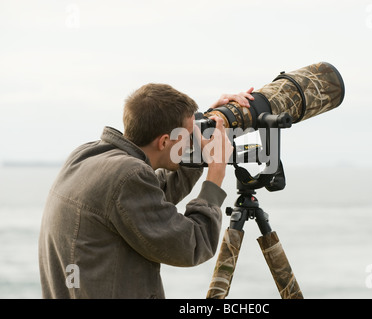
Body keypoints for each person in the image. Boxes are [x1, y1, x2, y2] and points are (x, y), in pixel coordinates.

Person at [38, 83, 254, 299]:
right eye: (189, 136)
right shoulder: (128, 177)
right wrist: (217, 173)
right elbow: (194, 245)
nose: (191, 142)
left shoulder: (87, 156)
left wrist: (205, 121)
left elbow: (147, 204)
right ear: (164, 141)